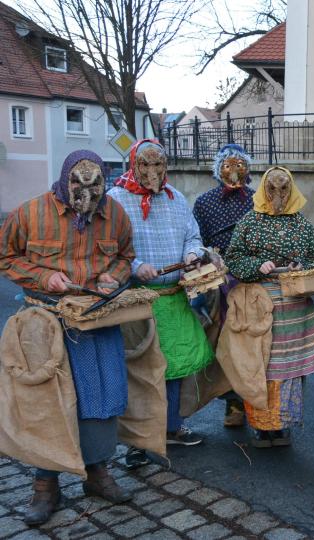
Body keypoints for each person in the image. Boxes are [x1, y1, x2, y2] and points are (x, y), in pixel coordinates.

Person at [0, 150, 135, 525]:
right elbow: (5, 256)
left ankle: (97, 473)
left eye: (96, 192)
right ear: (66, 182)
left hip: (96, 323)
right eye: (80, 190)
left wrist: (117, 277)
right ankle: (46, 485)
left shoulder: (115, 214)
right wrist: (44, 278)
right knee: (49, 402)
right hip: (46, 322)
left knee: (99, 398)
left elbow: (126, 256)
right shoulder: (29, 213)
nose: (88, 201)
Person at [107, 140, 214, 468]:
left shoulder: (176, 198)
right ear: (133, 164)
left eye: (159, 165)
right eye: (146, 165)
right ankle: (137, 441)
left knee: (174, 368)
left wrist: (192, 255)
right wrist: (136, 265)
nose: (154, 173)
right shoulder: (115, 200)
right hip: (139, 301)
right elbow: (110, 246)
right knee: (142, 372)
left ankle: (170, 427)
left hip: (174, 298)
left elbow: (191, 236)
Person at [224, 166, 314, 448]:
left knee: (289, 368)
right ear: (263, 190)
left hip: (295, 307)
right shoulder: (249, 221)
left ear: (291, 189)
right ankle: (261, 426)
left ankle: (283, 425)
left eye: (284, 189)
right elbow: (232, 258)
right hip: (259, 304)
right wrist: (257, 265)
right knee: (262, 365)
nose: (278, 195)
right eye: (273, 189)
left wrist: (302, 266)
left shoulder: (302, 224)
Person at [192, 143, 255, 428]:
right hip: (220, 286)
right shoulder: (204, 203)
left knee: (252, 341)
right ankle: (233, 402)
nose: (234, 171)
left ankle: (256, 401)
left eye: (240, 164)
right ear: (218, 170)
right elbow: (196, 242)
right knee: (224, 344)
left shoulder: (258, 201)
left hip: (254, 283)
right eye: (228, 165)